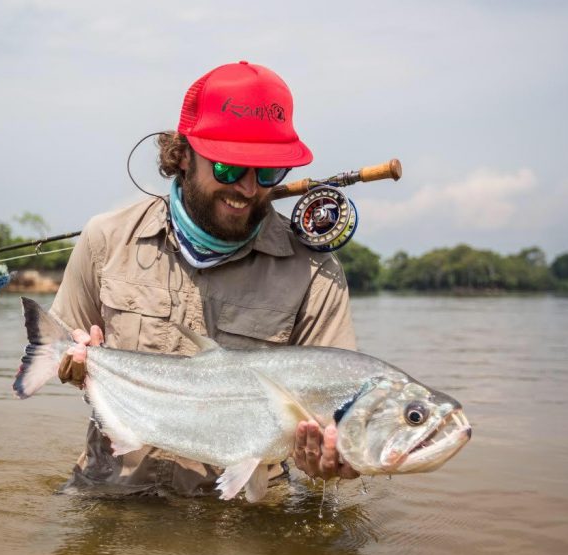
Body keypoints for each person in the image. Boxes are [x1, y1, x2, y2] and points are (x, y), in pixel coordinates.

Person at [51, 61, 360, 496]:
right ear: (181, 155)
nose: (249, 190)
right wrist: (73, 363)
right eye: (230, 169)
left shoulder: (316, 274)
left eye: (268, 173)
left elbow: (332, 422)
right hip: (111, 496)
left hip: (244, 520)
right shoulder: (105, 239)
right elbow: (59, 347)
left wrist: (326, 458)